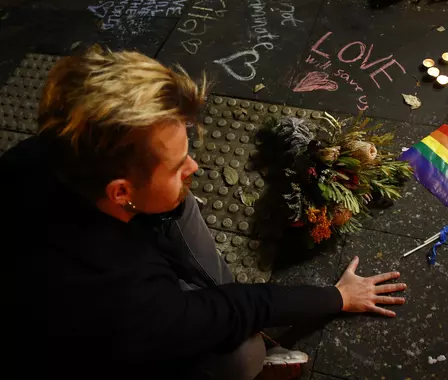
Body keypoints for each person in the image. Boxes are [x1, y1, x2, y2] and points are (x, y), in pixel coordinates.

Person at [1, 46, 407, 380]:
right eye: (178, 164)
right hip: (91, 345)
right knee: (243, 356)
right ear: (121, 191)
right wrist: (337, 297)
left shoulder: (38, 156)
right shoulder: (125, 296)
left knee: (181, 203)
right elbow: (236, 309)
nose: (194, 166)